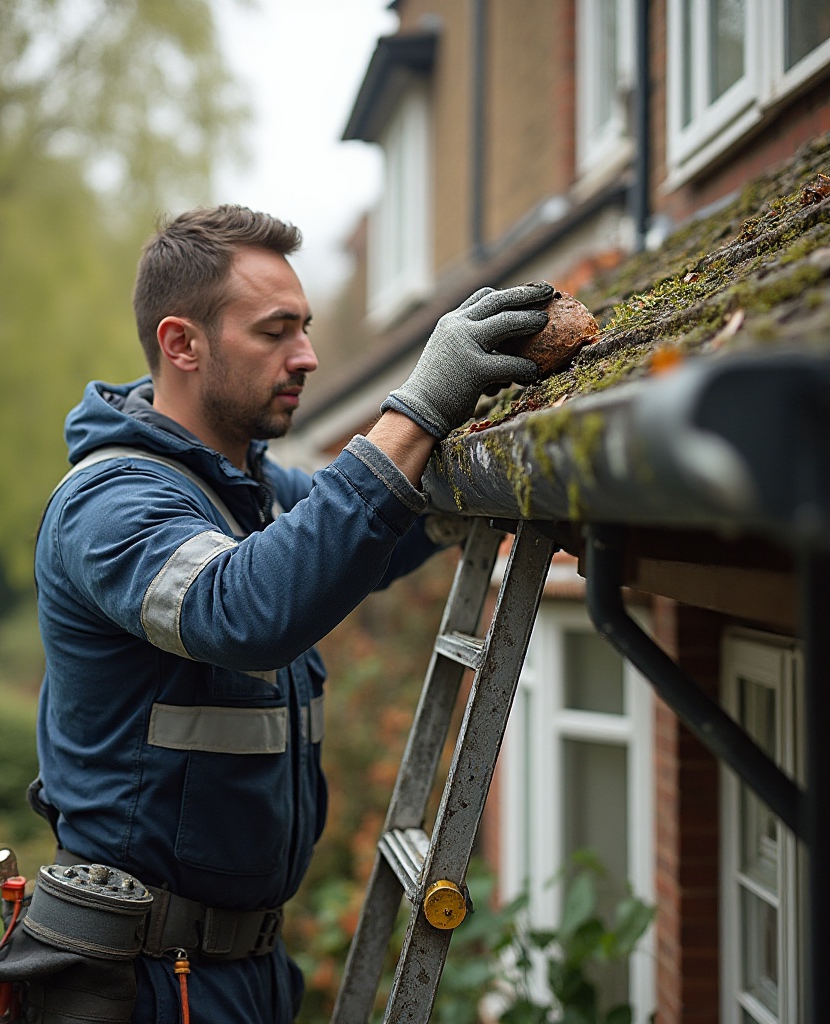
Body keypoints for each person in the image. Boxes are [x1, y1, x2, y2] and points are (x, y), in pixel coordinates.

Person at [31, 204, 553, 1022]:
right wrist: (416, 408)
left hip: (243, 971)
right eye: (275, 331)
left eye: (305, 327)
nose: (306, 356)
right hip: (141, 984)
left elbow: (365, 533)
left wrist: (489, 467)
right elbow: (245, 610)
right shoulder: (111, 503)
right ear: (182, 344)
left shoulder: (253, 493)